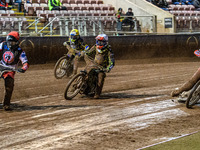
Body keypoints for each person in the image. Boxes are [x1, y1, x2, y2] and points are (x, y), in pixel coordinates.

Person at [0, 31, 29, 111]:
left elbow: (25, 62)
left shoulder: (20, 51)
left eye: (12, 42)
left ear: (16, 42)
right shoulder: (3, 44)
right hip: (1, 66)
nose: (10, 44)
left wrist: (23, 68)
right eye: (8, 42)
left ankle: (6, 104)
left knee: (9, 86)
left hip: (10, 70)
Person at [84, 34, 115, 99]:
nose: (99, 43)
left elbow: (112, 61)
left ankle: (97, 93)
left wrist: (108, 68)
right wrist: (85, 53)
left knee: (100, 78)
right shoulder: (95, 47)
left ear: (105, 42)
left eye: (101, 42)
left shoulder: (109, 51)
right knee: (86, 73)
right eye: (98, 41)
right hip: (94, 64)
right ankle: (79, 84)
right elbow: (89, 53)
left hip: (102, 68)